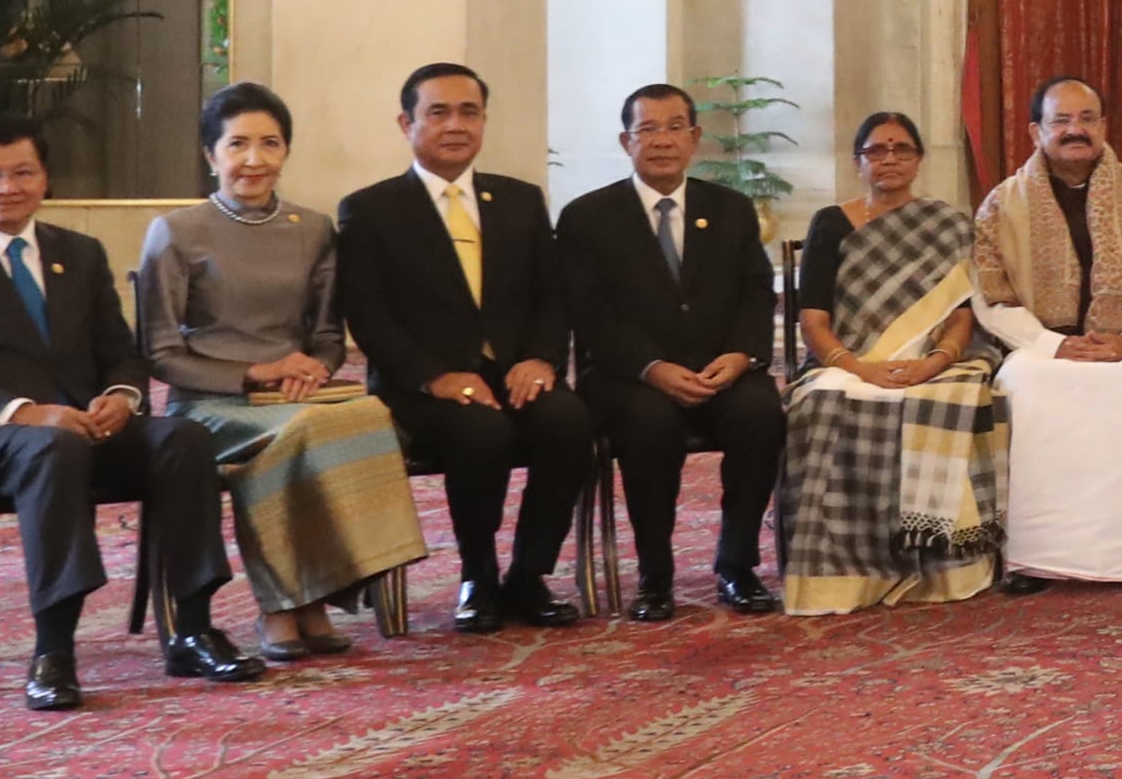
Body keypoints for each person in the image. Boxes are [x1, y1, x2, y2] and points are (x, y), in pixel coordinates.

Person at [0, 113, 256, 709]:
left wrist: (121, 396)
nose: (7, 187)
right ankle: (53, 651)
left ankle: (192, 628)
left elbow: (119, 350)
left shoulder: (78, 253)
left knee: (183, 438)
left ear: (45, 179)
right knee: (52, 446)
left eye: (23, 172)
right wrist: (27, 412)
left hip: (81, 430)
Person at [135, 82, 430, 656]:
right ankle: (286, 604)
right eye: (237, 144)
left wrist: (312, 370)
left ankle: (321, 592)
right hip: (211, 403)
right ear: (210, 155)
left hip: (297, 397)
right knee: (299, 436)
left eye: (269, 144)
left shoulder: (314, 227)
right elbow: (161, 352)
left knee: (371, 414)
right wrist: (255, 375)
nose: (254, 160)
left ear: (286, 152)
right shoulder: (175, 232)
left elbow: (326, 337)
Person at [339, 62, 593, 632]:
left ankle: (528, 576)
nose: (456, 125)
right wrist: (436, 378)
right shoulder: (371, 209)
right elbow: (368, 316)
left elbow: (552, 294)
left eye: (469, 112)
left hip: (514, 369)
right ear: (407, 123)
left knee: (569, 423)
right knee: (482, 432)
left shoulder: (521, 200)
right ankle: (478, 574)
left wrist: (542, 358)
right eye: (439, 112)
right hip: (421, 386)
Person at [556, 82, 789, 622]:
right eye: (647, 129)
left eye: (674, 127)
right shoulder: (588, 217)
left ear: (695, 137)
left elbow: (757, 291)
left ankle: (737, 564)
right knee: (649, 425)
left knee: (760, 414)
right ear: (625, 140)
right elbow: (590, 315)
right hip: (627, 377)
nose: (662, 141)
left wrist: (741, 356)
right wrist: (652, 368)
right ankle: (655, 575)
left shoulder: (728, 208)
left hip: (719, 367)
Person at [973, 77, 1122, 589]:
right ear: (1035, 131)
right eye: (1061, 121)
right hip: (1039, 346)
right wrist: (1052, 344)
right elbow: (991, 295)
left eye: (1087, 119)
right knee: (1023, 383)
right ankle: (1034, 559)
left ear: (1103, 126)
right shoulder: (1002, 204)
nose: (1076, 131)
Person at [783, 109, 1003, 614]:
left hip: (934, 361)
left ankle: (942, 568)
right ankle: (837, 571)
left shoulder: (947, 224)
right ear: (857, 162)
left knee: (953, 399)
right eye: (875, 150)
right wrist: (858, 367)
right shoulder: (831, 223)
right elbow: (814, 319)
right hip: (850, 362)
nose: (889, 159)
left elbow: (961, 312)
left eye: (901, 149)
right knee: (820, 407)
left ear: (919, 159)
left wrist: (935, 362)